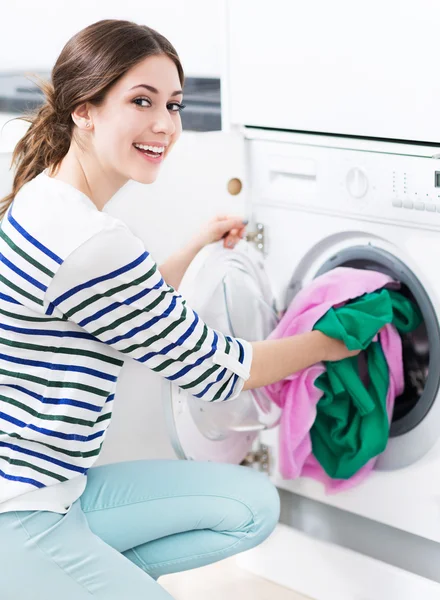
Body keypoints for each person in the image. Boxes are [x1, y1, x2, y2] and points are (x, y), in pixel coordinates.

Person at [0, 19, 358, 599]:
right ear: (83, 109)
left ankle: (79, 581)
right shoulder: (92, 240)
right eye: (141, 101)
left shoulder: (45, 198)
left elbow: (114, 308)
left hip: (55, 492)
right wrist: (335, 340)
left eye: (173, 104)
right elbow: (219, 374)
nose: (164, 125)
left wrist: (190, 251)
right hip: (20, 516)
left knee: (250, 505)